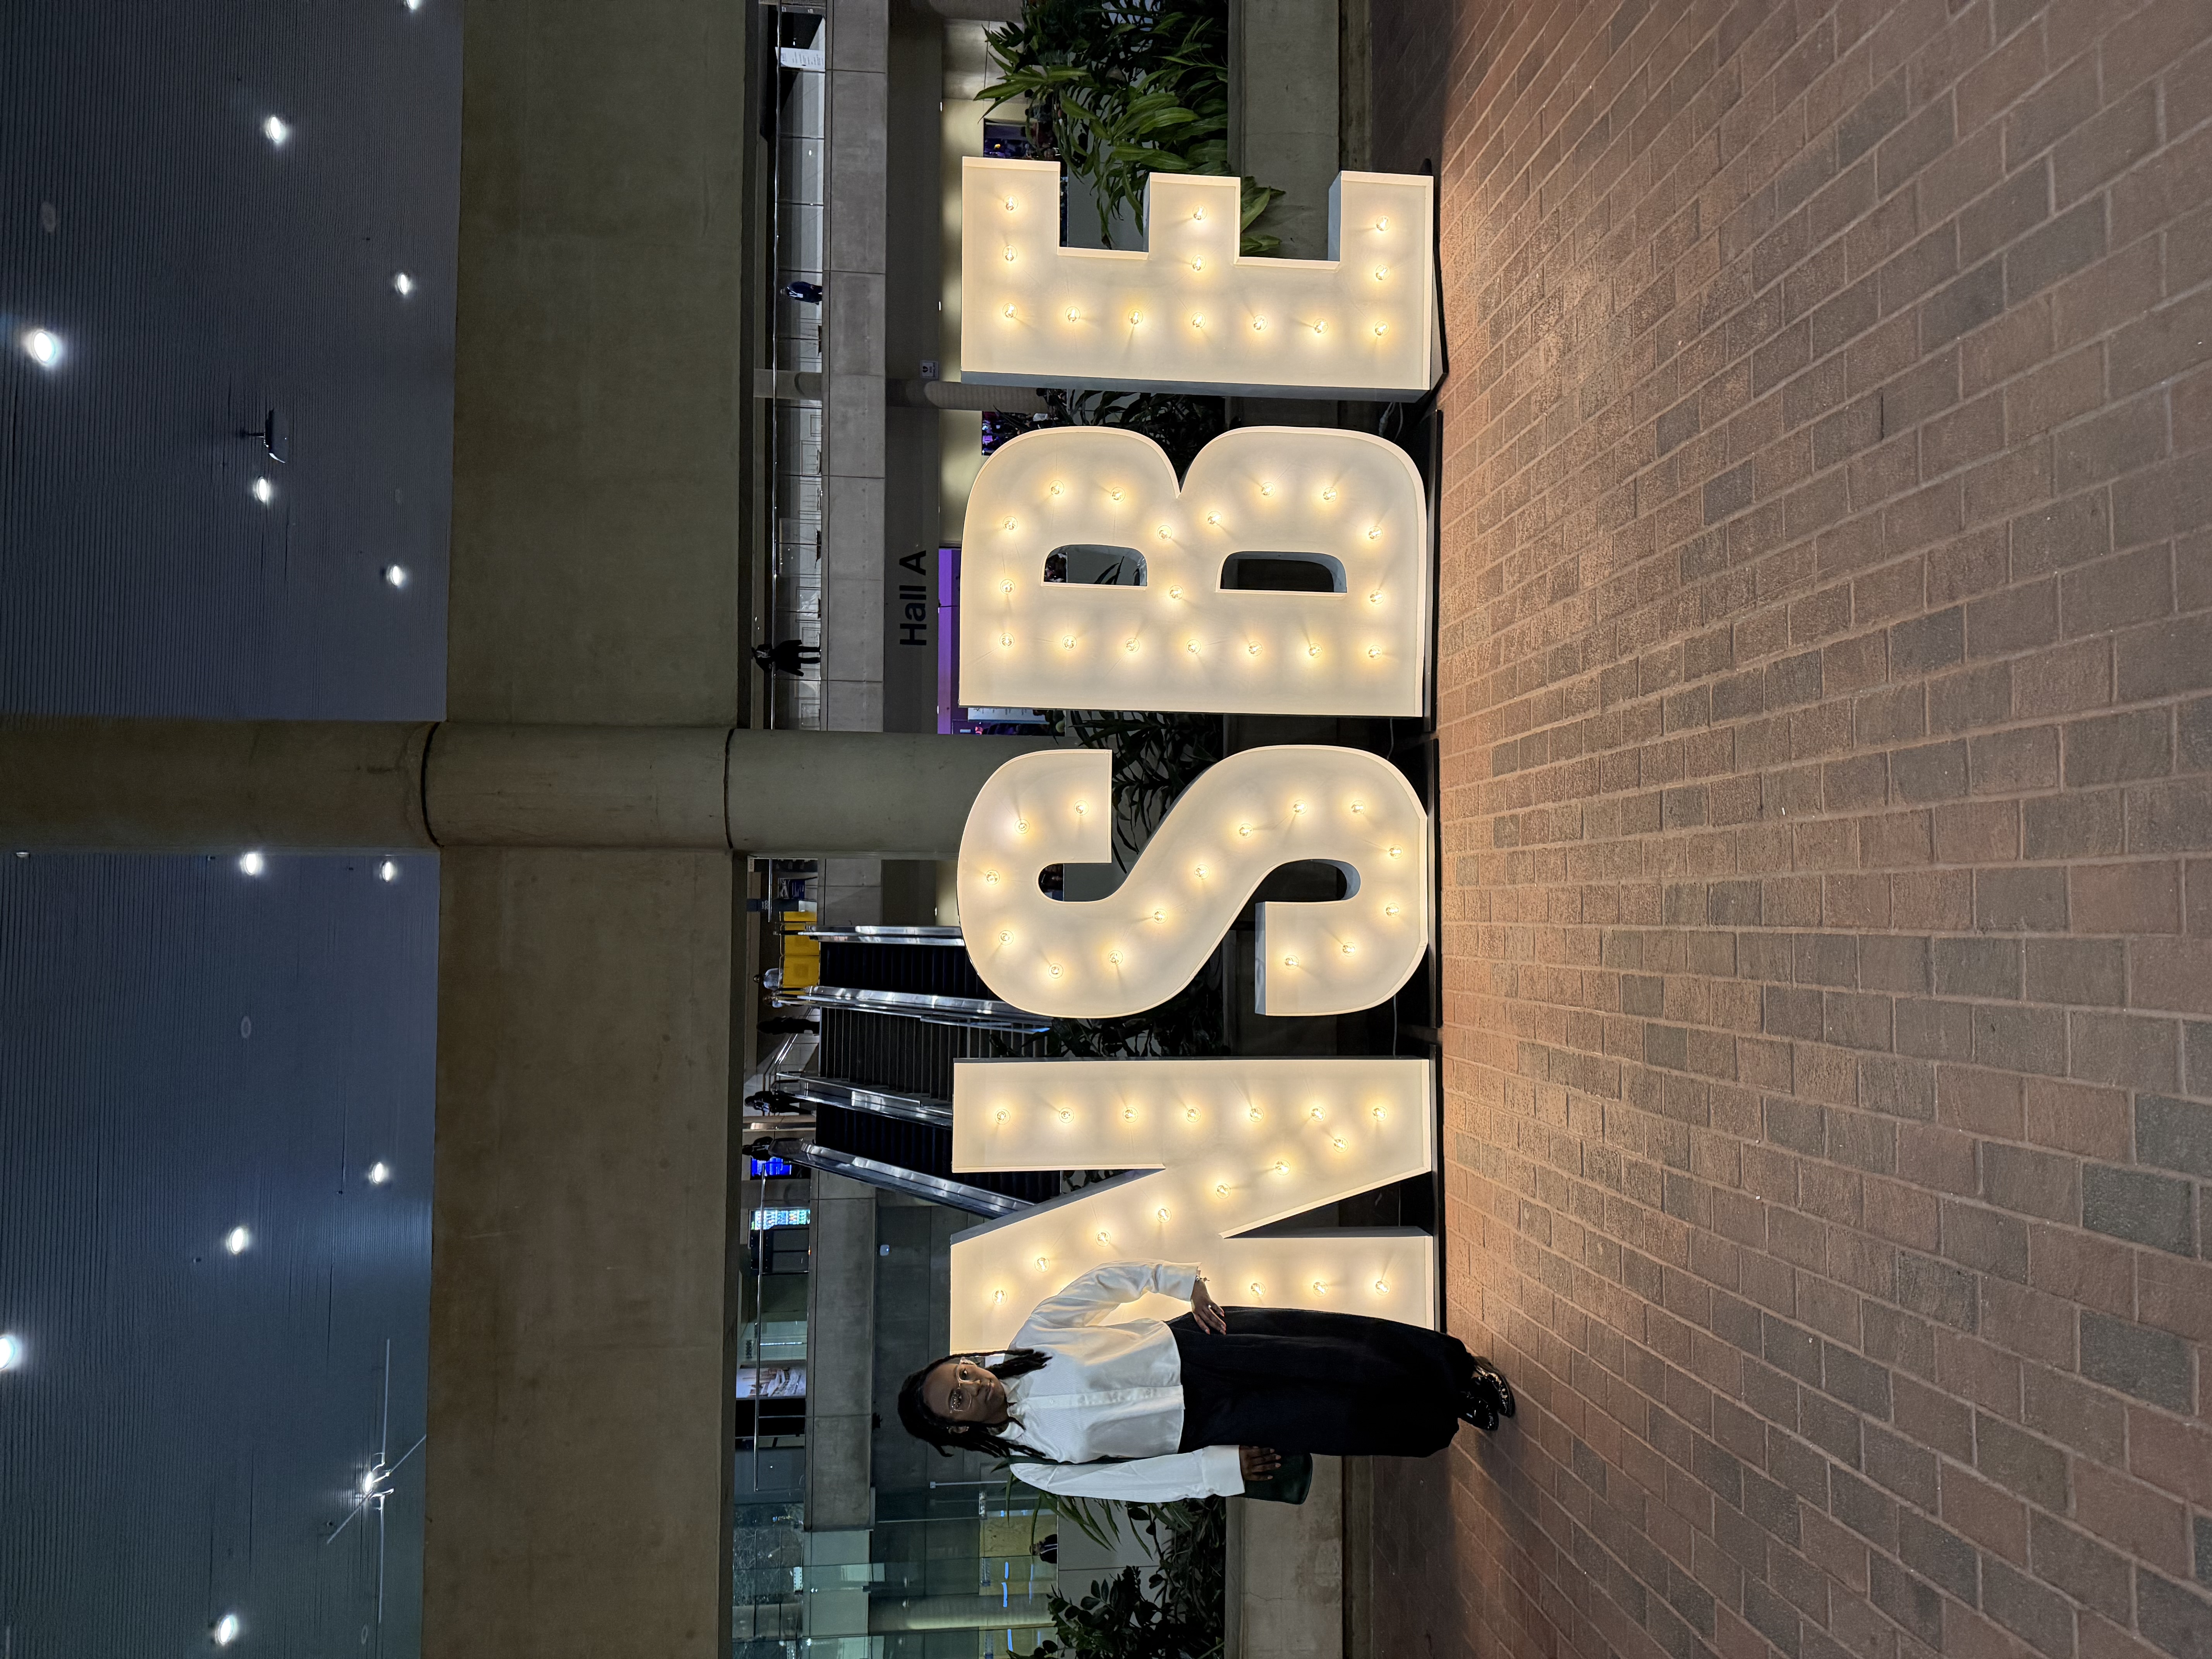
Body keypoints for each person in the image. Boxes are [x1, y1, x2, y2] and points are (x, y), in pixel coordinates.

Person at [895, 1260, 1514, 1502]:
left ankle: (1459, 1375)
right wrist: (1220, 1473)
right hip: (1209, 1424)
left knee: (1340, 1350)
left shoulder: (1035, 1337)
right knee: (1339, 1420)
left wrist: (1179, 1284)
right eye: (958, 1396)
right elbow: (1129, 1481)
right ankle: (1440, 1416)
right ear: (955, 1425)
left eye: (964, 1370)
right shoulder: (1033, 1465)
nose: (973, 1385)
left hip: (1203, 1350)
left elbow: (1101, 1284)